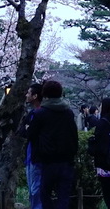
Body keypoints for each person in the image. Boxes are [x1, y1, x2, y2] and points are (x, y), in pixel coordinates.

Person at [28, 80, 77, 209]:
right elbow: (74, 136)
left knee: (45, 194)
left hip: (47, 161)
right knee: (63, 196)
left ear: (45, 94)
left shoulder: (40, 113)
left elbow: (31, 134)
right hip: (66, 161)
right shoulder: (68, 113)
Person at [17, 83, 43, 209]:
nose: (26, 95)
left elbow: (30, 132)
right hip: (30, 156)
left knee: (36, 190)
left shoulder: (40, 114)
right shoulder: (31, 113)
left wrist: (28, 129)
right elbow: (23, 131)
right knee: (32, 189)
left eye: (29, 93)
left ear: (35, 96)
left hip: (37, 157)